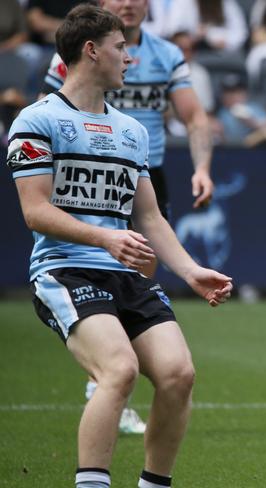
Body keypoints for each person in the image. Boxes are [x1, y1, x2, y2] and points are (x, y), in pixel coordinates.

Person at [6, 5, 232, 488]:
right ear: (91, 51)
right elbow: (35, 211)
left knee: (178, 374)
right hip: (64, 271)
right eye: (120, 47)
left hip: (126, 275)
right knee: (120, 369)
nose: (129, 58)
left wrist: (191, 271)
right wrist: (105, 236)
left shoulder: (131, 132)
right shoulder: (37, 120)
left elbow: (148, 215)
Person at [41, 0, 216, 433]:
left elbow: (193, 116)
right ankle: (106, 377)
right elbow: (51, 105)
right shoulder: (70, 63)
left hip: (141, 170)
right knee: (105, 264)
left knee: (141, 269)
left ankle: (113, 376)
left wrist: (202, 168)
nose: (130, 4)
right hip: (87, 163)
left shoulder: (166, 55)